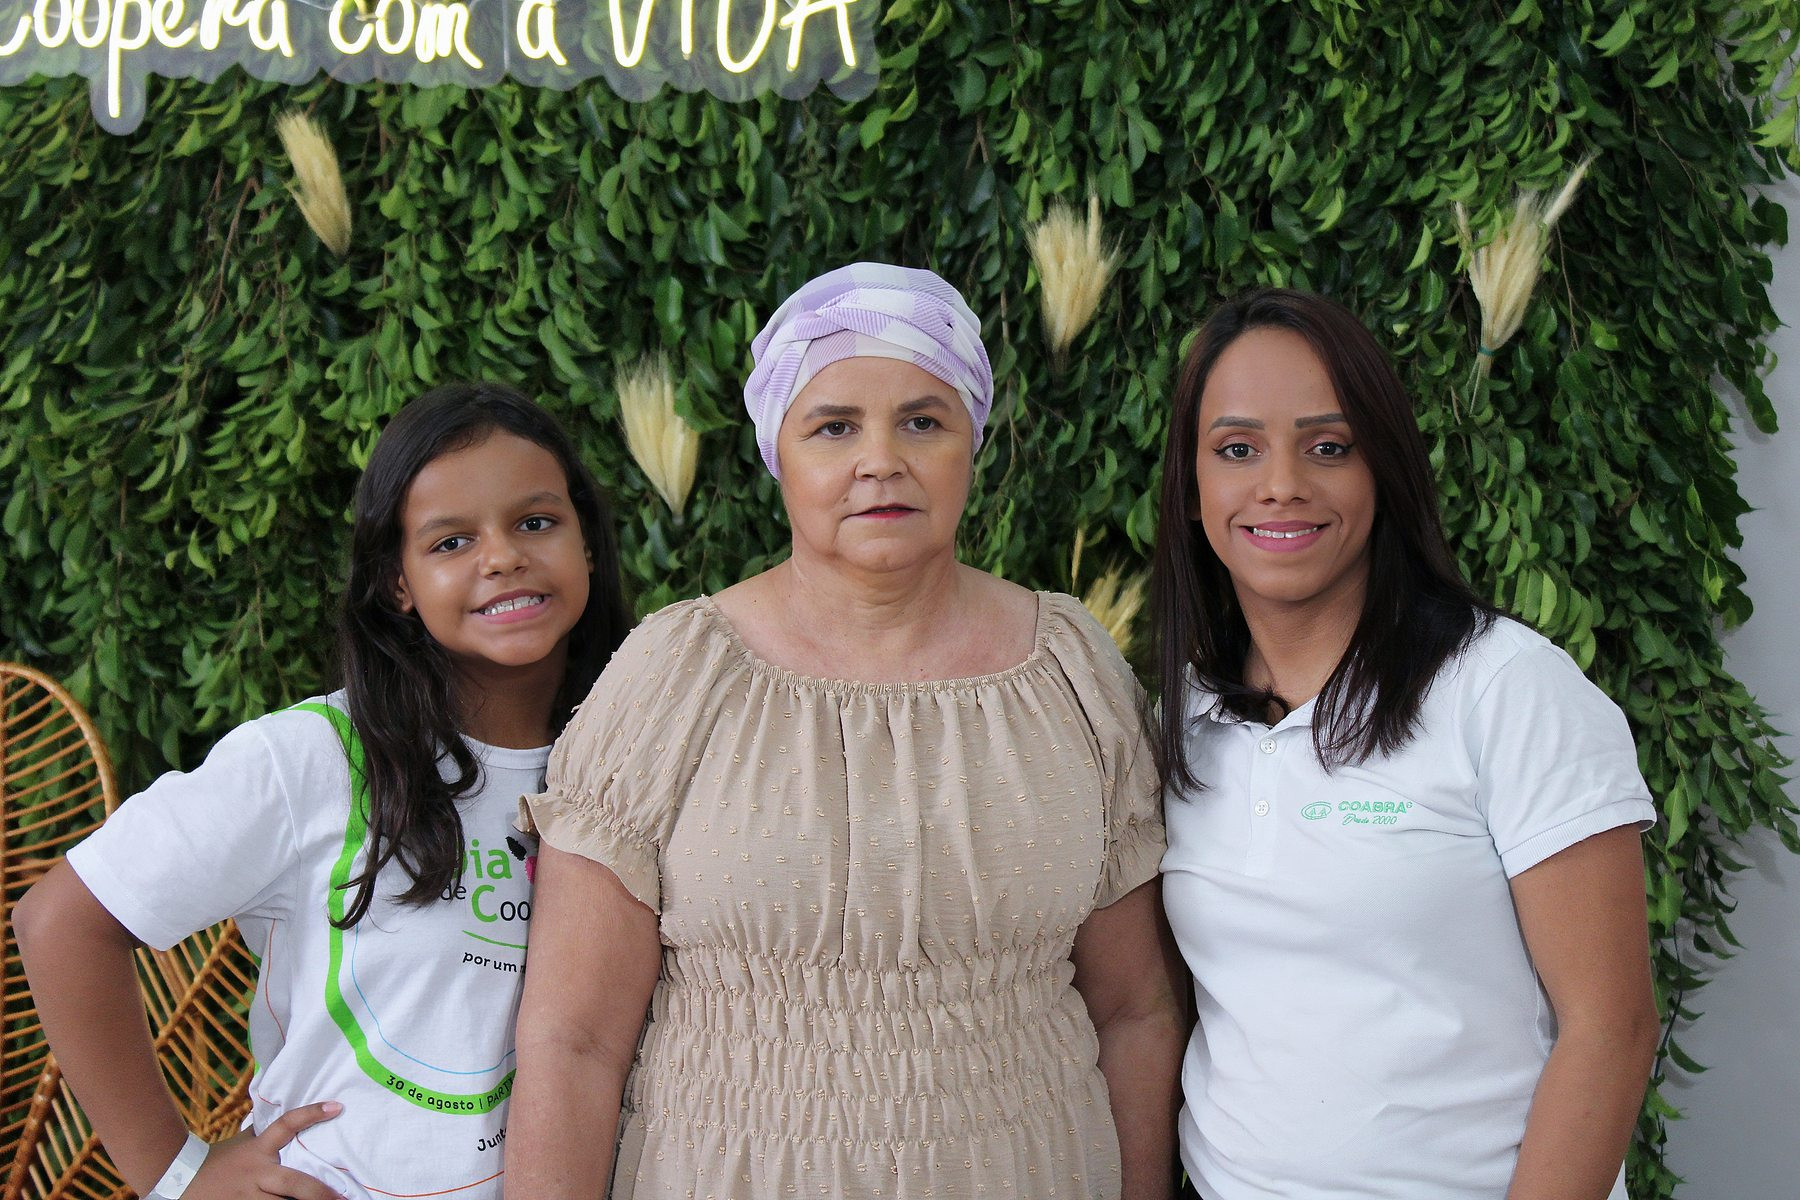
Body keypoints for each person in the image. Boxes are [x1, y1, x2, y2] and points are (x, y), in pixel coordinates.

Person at [507, 263, 1186, 1200]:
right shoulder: (676, 678)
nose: (881, 460)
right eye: (834, 427)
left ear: (972, 442)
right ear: (778, 454)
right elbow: (573, 1041)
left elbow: (1136, 1011)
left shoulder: (1071, 673)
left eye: (923, 421)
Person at [16, 382, 631, 1200]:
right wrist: (176, 1175)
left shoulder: (638, 761)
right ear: (397, 582)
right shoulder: (313, 758)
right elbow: (61, 922)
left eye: (536, 522)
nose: (502, 557)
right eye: (451, 541)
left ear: (586, 542)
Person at [1150, 288, 1660, 1200]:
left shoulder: (1505, 690)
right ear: (1191, 491)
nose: (1280, 484)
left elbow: (1610, 1029)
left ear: (1383, 469)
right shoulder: (1183, 719)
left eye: (1329, 447)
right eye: (1236, 449)